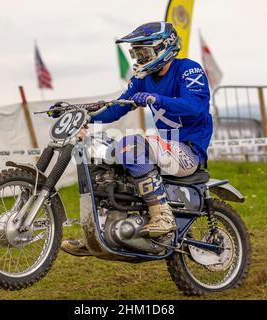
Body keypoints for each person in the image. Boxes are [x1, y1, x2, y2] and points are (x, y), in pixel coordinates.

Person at [61, 21, 213, 256]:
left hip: (189, 151)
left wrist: (156, 99)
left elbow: (196, 107)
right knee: (99, 155)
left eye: (144, 52)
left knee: (131, 144)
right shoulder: (143, 78)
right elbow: (116, 108)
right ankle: (99, 232)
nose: (140, 58)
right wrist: (80, 113)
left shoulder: (188, 69)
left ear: (164, 48)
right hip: (166, 149)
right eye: (136, 53)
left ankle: (161, 215)